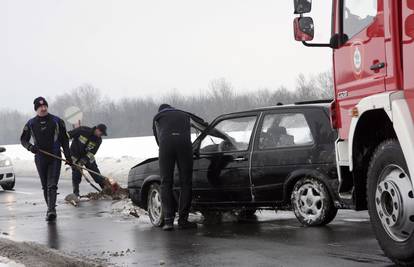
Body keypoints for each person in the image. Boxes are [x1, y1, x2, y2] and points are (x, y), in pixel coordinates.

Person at [20, 97, 72, 221]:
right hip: (40, 158)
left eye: (45, 106)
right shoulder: (31, 123)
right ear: (36, 109)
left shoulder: (57, 121)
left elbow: (64, 140)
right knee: (45, 186)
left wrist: (68, 156)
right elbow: (23, 140)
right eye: (40, 107)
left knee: (52, 185)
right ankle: (50, 208)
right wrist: (30, 147)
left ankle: (51, 210)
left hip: (54, 157)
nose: (43, 109)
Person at [153, 104, 197, 231]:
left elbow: (158, 138)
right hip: (184, 145)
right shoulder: (184, 114)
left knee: (166, 182)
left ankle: (168, 221)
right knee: (186, 183)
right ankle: (183, 221)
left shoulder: (158, 117)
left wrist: (164, 147)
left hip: (166, 145)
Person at [68, 124, 108, 196]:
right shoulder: (82, 130)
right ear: (97, 129)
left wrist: (84, 160)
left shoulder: (98, 140)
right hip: (75, 154)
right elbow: (68, 135)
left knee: (96, 173)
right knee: (76, 173)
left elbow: (92, 152)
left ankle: (105, 189)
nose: (101, 135)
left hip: (88, 156)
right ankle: (76, 193)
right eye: (101, 133)